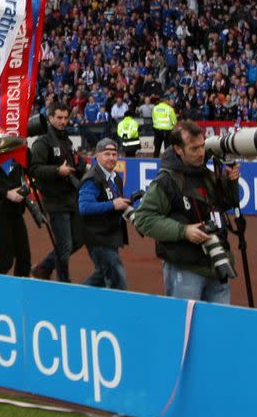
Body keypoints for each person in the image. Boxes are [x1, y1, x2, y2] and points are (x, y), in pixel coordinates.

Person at [133, 121, 241, 303]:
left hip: (217, 262)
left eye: (202, 146)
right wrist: (184, 231)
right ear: (178, 149)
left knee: (219, 327)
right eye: (194, 149)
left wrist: (230, 182)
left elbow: (225, 204)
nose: (201, 153)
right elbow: (143, 218)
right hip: (185, 268)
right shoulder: (166, 180)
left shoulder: (206, 173)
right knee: (185, 327)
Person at [29, 102, 87, 282]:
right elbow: (34, 169)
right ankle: (63, 281)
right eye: (59, 118)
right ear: (50, 118)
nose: (63, 121)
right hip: (55, 200)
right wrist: (56, 171)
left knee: (78, 239)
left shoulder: (65, 140)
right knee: (64, 244)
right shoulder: (42, 142)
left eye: (65, 118)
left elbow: (73, 165)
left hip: (71, 197)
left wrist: (80, 164)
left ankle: (44, 267)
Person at [78, 138, 129, 290]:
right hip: (97, 237)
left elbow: (116, 202)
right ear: (97, 156)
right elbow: (85, 207)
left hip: (110, 235)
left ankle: (76, 297)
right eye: (107, 154)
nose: (112, 158)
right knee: (118, 279)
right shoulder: (92, 179)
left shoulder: (115, 178)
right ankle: (118, 310)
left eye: (114, 154)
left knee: (101, 276)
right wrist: (114, 204)